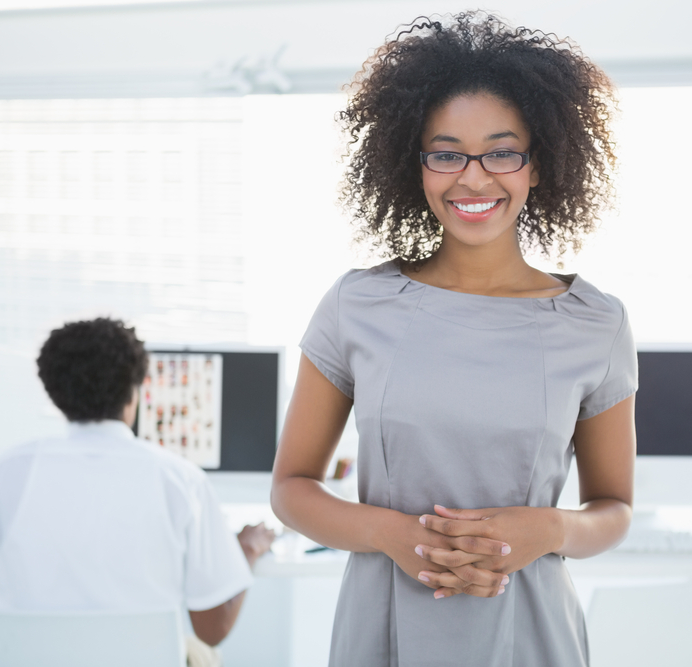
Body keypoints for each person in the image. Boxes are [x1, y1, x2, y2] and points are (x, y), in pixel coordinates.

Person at [270, 12, 637, 667]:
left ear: (538, 165)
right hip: (382, 633)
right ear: (416, 166)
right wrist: (393, 534)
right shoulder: (357, 306)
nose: (473, 177)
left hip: (532, 636)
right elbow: (291, 487)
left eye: (502, 150)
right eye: (447, 153)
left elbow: (614, 508)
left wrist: (549, 528)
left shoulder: (595, 322)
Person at [0, 318, 275, 659]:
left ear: (55, 394)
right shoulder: (181, 480)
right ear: (135, 390)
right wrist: (246, 551)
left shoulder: (9, 471)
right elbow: (212, 630)